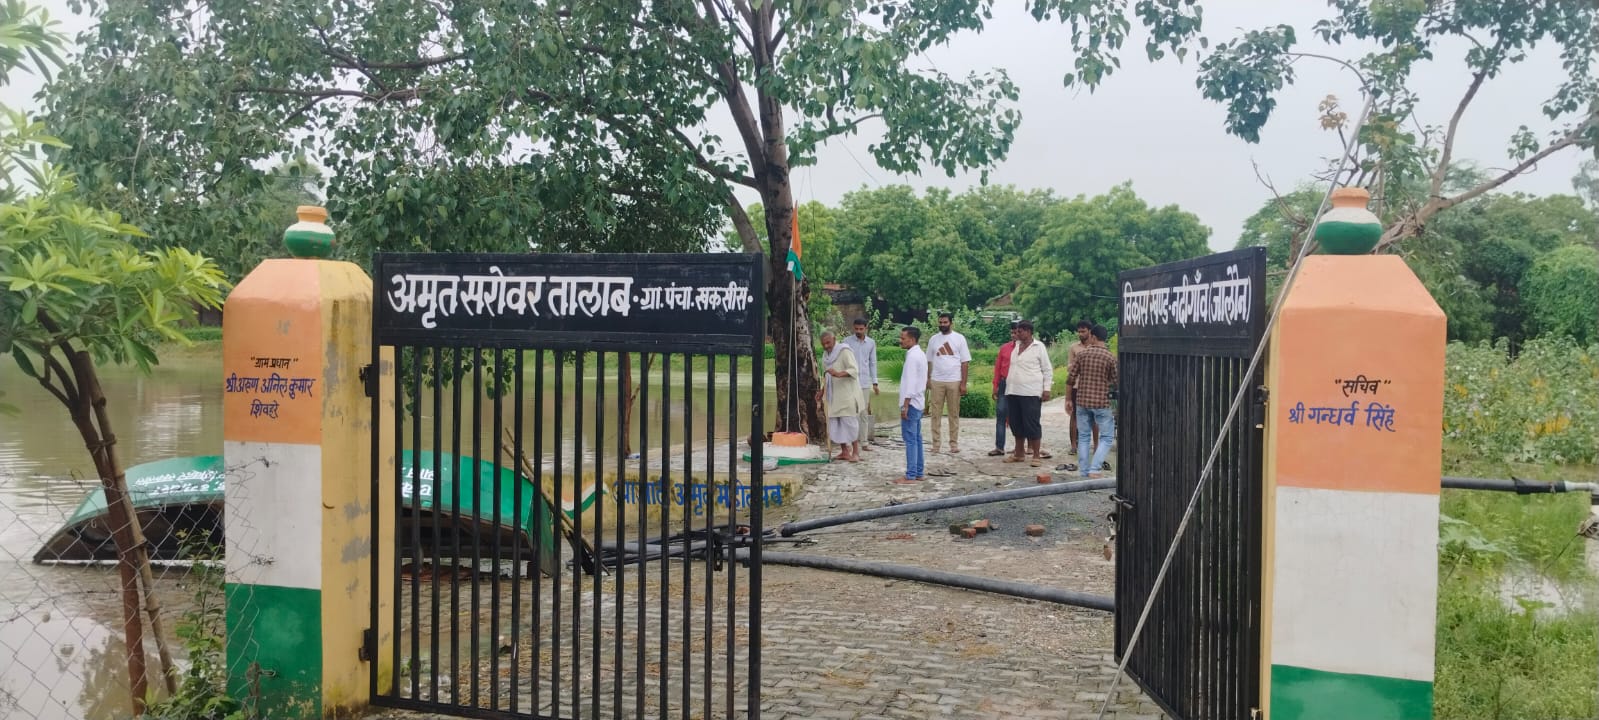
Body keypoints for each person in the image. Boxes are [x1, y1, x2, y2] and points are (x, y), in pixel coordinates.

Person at [1068, 324, 1118, 478]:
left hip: (1082, 401)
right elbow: (1116, 381)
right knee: (1107, 437)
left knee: (1083, 437)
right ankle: (1095, 469)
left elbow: (1071, 378)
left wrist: (1069, 398)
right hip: (1101, 403)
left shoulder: (1082, 355)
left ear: (1093, 337)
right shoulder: (1110, 357)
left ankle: (1084, 471)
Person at [1003, 320, 1052, 467]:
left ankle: (1036, 456)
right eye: (1017, 331)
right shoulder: (1016, 346)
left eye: (1021, 331)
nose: (1017, 334)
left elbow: (1047, 369)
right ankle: (1019, 454)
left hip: (1030, 392)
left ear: (1029, 332)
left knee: (1032, 423)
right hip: (1012, 390)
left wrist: (1047, 388)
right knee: (1015, 423)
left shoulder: (1039, 347)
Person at [924, 311, 970, 453]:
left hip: (954, 381)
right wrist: (928, 378)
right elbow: (929, 361)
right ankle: (936, 444)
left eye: (945, 322)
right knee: (935, 414)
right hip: (937, 381)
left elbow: (965, 362)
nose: (942, 325)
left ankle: (953, 444)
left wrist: (963, 383)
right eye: (940, 322)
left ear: (951, 323)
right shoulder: (933, 339)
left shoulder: (959, 338)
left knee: (953, 413)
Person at [818, 330, 864, 462]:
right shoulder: (825, 356)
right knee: (835, 423)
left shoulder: (844, 351)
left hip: (846, 394)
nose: (826, 346)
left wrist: (838, 374)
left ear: (834, 339)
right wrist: (821, 391)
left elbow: (854, 370)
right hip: (833, 395)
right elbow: (826, 375)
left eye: (828, 343)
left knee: (849, 423)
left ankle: (855, 452)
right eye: (823, 344)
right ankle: (844, 451)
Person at [841, 318, 879, 456]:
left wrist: (875, 382)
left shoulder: (871, 343)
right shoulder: (846, 342)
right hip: (849, 382)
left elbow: (872, 363)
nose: (858, 331)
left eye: (861, 329)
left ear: (866, 328)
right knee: (850, 412)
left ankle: (864, 442)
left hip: (863, 382)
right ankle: (850, 442)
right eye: (856, 329)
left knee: (863, 413)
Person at [896, 326, 927, 484]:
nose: (900, 341)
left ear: (912, 339)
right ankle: (919, 472)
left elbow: (911, 383)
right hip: (918, 401)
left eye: (903, 338)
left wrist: (905, 405)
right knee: (916, 438)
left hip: (912, 403)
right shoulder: (920, 354)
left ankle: (911, 474)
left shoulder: (913, 357)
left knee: (910, 439)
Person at [1064, 319, 1099, 456]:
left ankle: (1096, 446)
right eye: (1079, 331)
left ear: (1090, 332)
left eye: (1083, 331)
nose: (1080, 334)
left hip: (1092, 385)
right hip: (1077, 385)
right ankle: (1074, 445)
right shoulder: (1074, 348)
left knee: (1094, 416)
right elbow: (1069, 367)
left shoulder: (1096, 346)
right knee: (1075, 416)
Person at [989, 322, 1020, 456]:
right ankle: (999, 447)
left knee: (1018, 416)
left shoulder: (1027, 349)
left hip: (1019, 384)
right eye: (1012, 332)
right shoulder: (1005, 348)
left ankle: (1020, 447)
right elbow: (997, 368)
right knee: (1001, 414)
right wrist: (995, 386)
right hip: (1004, 383)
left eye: (1016, 332)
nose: (1014, 335)